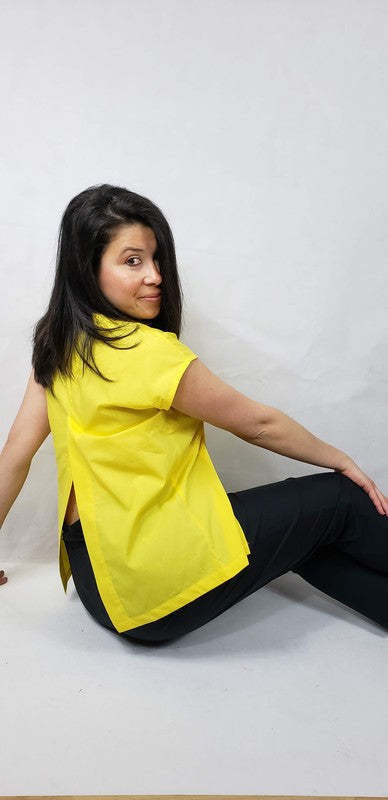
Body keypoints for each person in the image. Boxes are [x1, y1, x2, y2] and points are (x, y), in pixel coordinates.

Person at [1, 183, 388, 644]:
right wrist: (342, 459)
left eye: (156, 258)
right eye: (132, 261)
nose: (156, 275)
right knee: (340, 499)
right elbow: (260, 425)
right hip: (157, 588)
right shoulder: (145, 349)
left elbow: (14, 458)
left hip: (102, 586)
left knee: (300, 533)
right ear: (88, 270)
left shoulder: (59, 344)